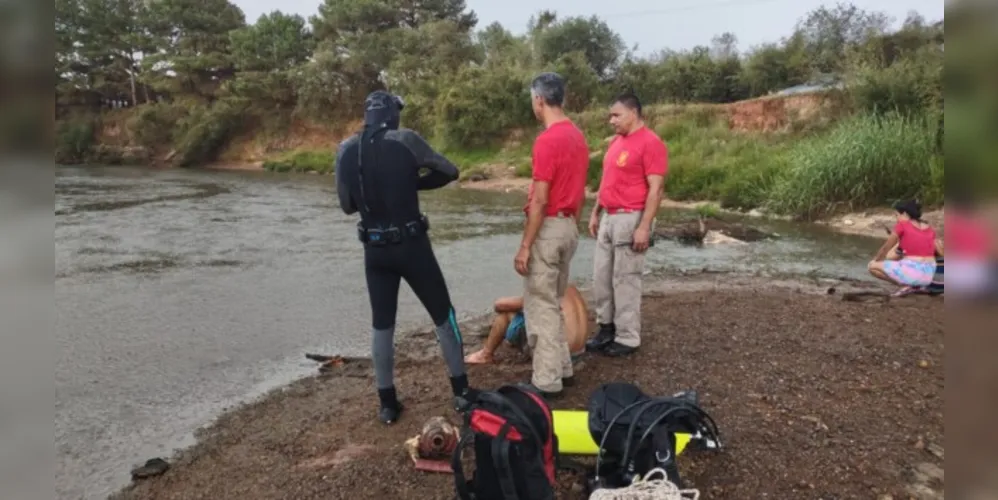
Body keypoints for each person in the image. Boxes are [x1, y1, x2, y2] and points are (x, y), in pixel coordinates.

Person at [335, 90, 468, 425]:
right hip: (411, 245)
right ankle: (463, 395)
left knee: (382, 323)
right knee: (443, 314)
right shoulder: (405, 140)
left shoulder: (346, 149)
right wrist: (412, 183)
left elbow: (347, 205)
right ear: (393, 114)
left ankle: (387, 404)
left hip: (374, 251)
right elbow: (449, 171)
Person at [514, 72, 590, 399]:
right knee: (554, 299)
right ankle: (563, 367)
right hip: (569, 225)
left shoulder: (547, 140)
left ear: (540, 100)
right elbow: (582, 192)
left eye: (533, 100)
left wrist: (525, 245)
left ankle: (546, 380)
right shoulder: (577, 136)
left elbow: (541, 199)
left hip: (549, 227)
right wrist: (573, 224)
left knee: (540, 304)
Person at [585, 93, 668, 357]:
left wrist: (644, 226)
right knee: (602, 278)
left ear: (633, 113)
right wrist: (595, 212)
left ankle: (628, 336)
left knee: (625, 279)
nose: (611, 120)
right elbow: (606, 180)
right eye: (610, 115)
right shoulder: (616, 143)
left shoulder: (651, 143)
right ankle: (606, 327)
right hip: (609, 215)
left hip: (631, 216)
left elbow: (656, 190)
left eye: (616, 115)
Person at [464, 285, 589, 365]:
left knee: (506, 315)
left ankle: (486, 355)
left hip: (560, 356)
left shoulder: (545, 287)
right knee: (531, 312)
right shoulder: (571, 288)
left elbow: (499, 305)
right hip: (580, 352)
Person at [868, 200, 945, 296]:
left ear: (904, 213)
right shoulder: (929, 228)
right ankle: (914, 285)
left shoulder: (902, 226)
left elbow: (886, 248)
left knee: (872, 266)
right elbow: (941, 253)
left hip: (915, 271)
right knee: (903, 260)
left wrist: (876, 260)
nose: (896, 218)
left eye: (897, 215)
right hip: (929, 274)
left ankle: (906, 286)